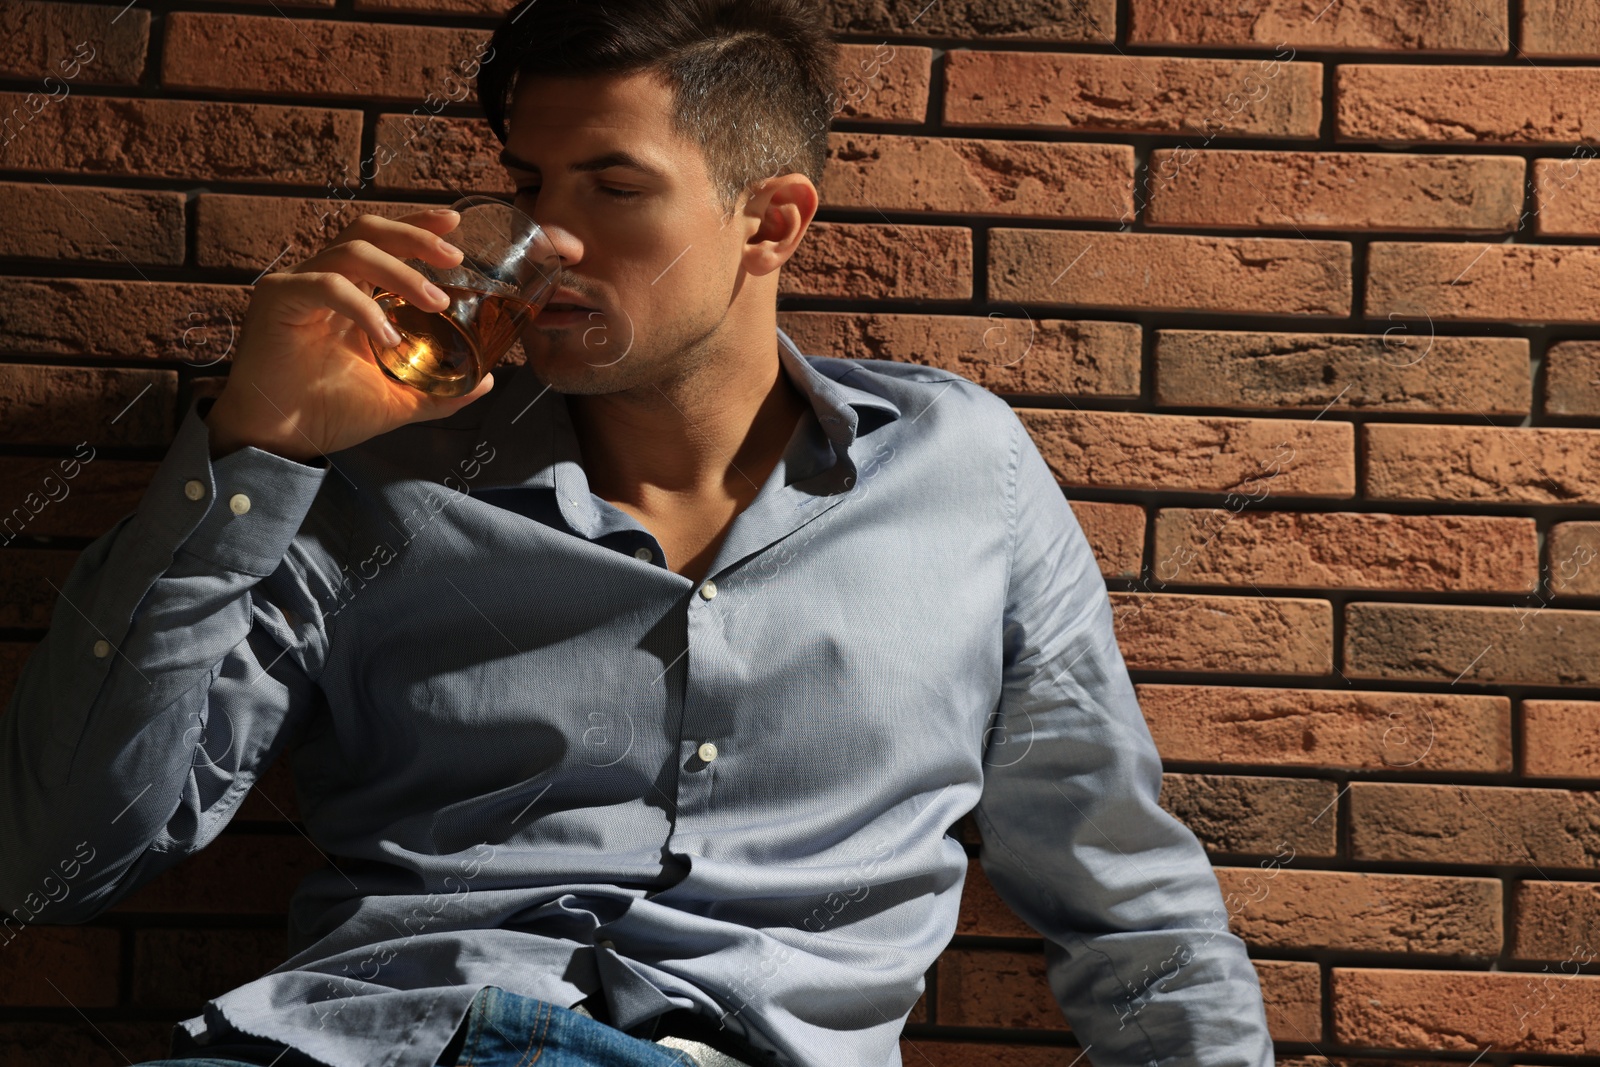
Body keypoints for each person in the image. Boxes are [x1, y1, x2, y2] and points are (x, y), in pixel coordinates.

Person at [0, 0, 1276, 1064]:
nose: (545, 242)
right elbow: (54, 858)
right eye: (528, 184)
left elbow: (1124, 889)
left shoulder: (961, 471)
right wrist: (253, 449)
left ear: (770, 222)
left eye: (613, 185)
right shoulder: (366, 482)